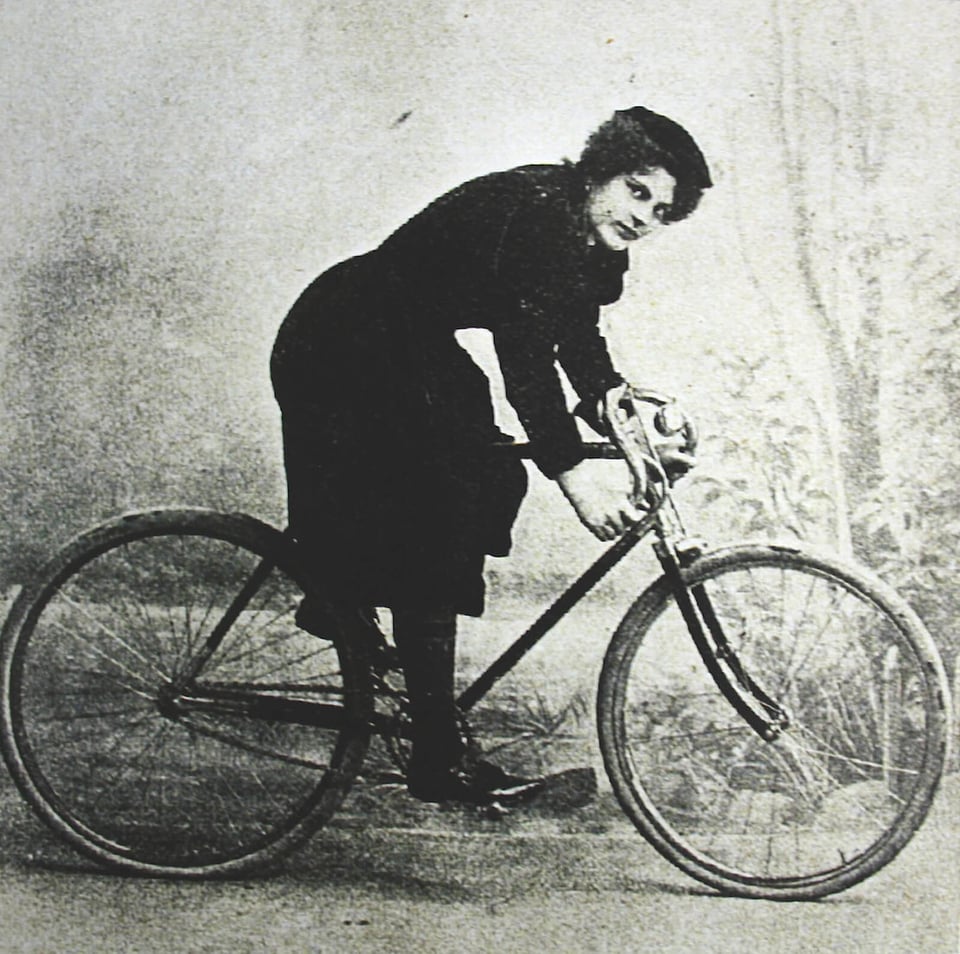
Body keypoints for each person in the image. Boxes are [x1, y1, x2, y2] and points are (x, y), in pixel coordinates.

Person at [270, 106, 711, 806]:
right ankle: (431, 748)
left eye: (662, 209)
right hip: (344, 340)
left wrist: (618, 407)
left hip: (402, 345)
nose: (644, 217)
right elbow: (527, 357)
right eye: (636, 189)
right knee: (448, 497)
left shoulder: (587, 239)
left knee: (481, 472)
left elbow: (575, 338)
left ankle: (356, 622)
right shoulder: (538, 212)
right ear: (599, 170)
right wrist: (575, 480)